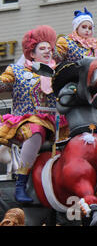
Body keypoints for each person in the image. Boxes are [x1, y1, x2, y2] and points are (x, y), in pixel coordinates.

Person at [0, 25, 67, 203]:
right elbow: (3, 84)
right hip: (25, 121)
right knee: (36, 130)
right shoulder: (17, 71)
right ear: (32, 53)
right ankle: (20, 183)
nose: (47, 51)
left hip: (57, 123)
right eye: (42, 48)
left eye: (49, 49)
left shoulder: (59, 72)